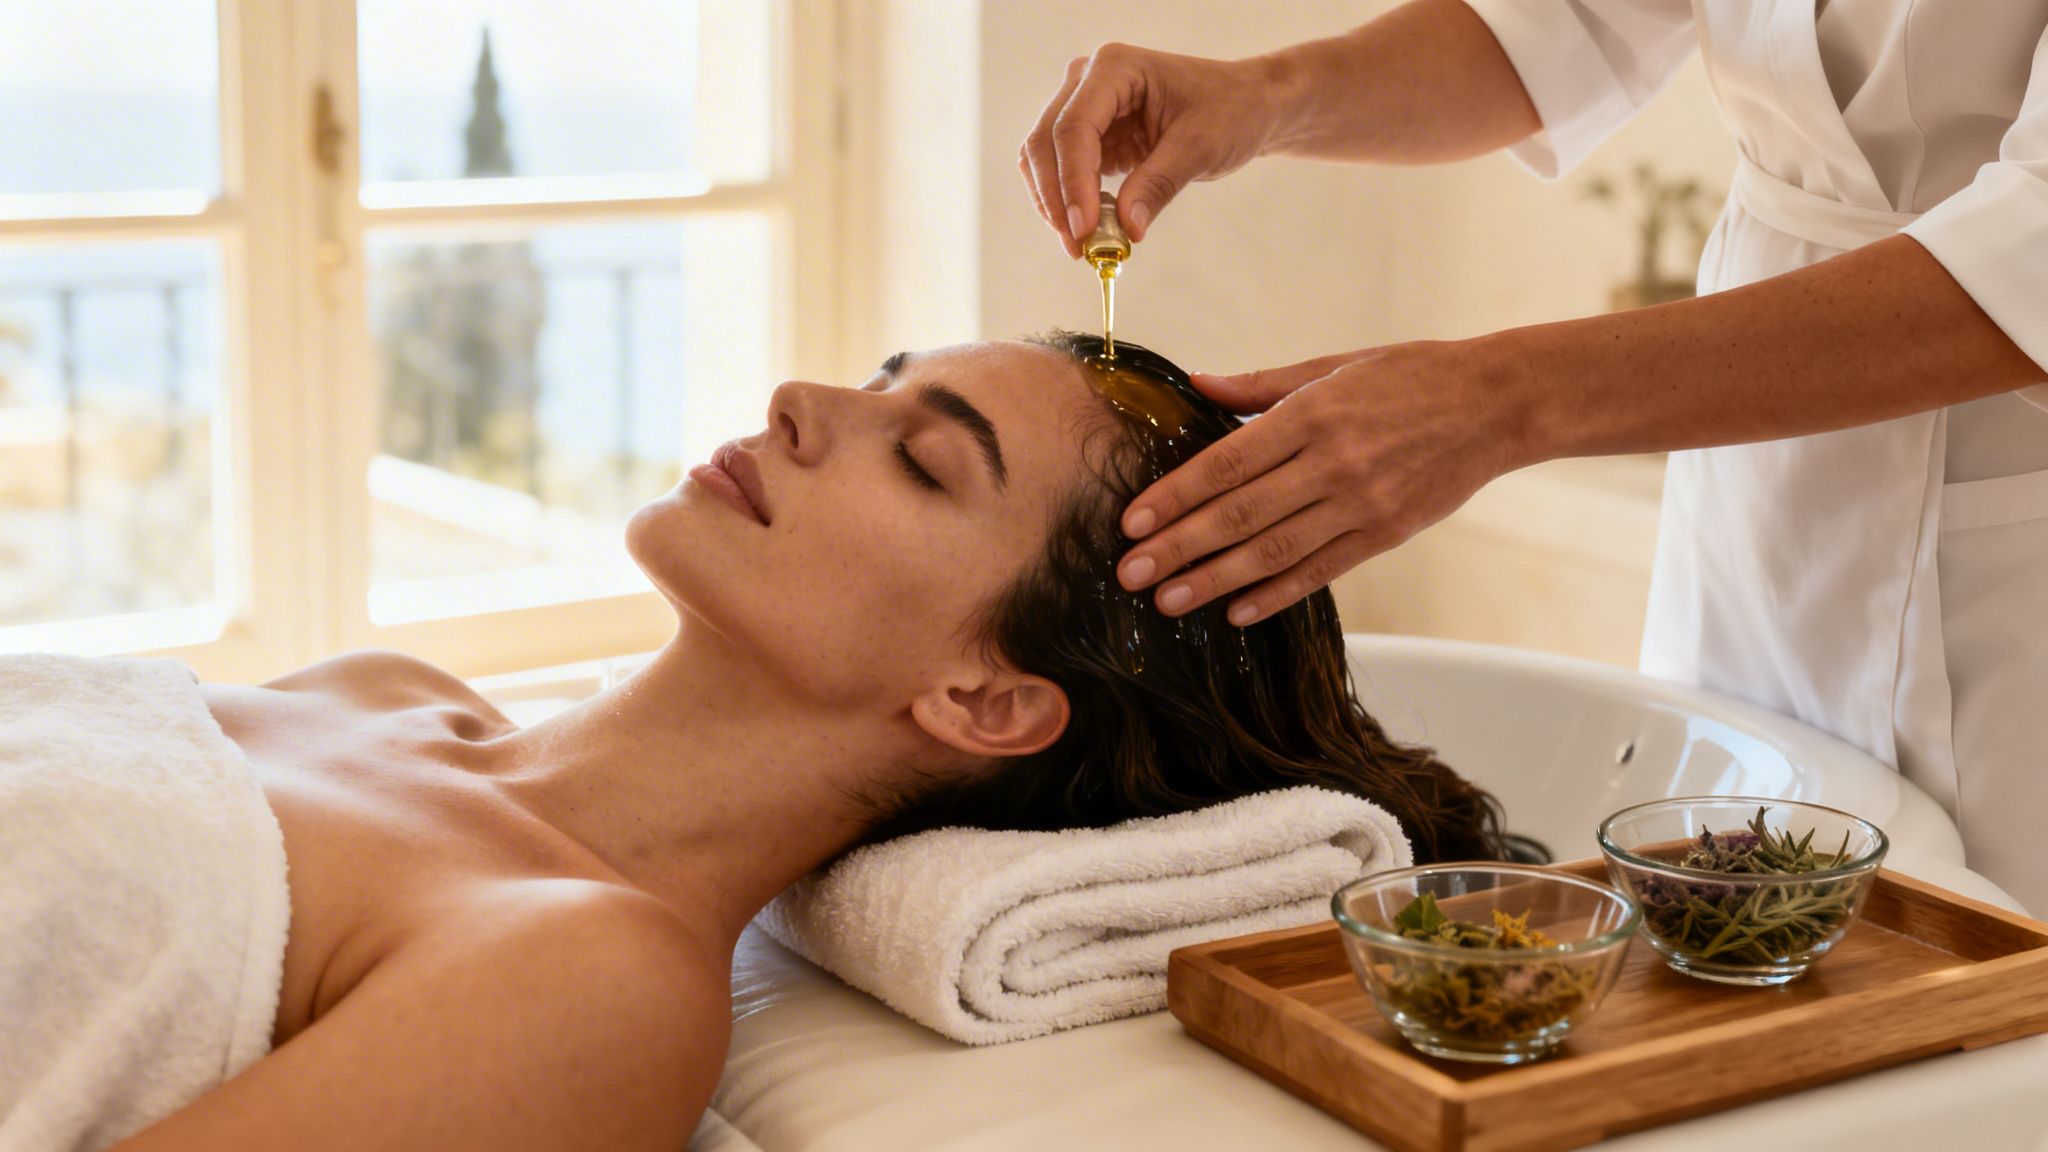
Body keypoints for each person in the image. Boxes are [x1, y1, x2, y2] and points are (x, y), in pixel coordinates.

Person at [67, 333, 1507, 1151]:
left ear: (987, 701)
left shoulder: (590, 979)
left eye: (924, 457)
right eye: (881, 383)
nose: (802, 404)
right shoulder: (386, 690)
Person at [1020, 0, 2048, 910]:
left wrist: (1499, 401)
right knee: (1742, 908)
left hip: (2010, 537)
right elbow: (1562, 20)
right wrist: (1264, 94)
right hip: (1755, 500)